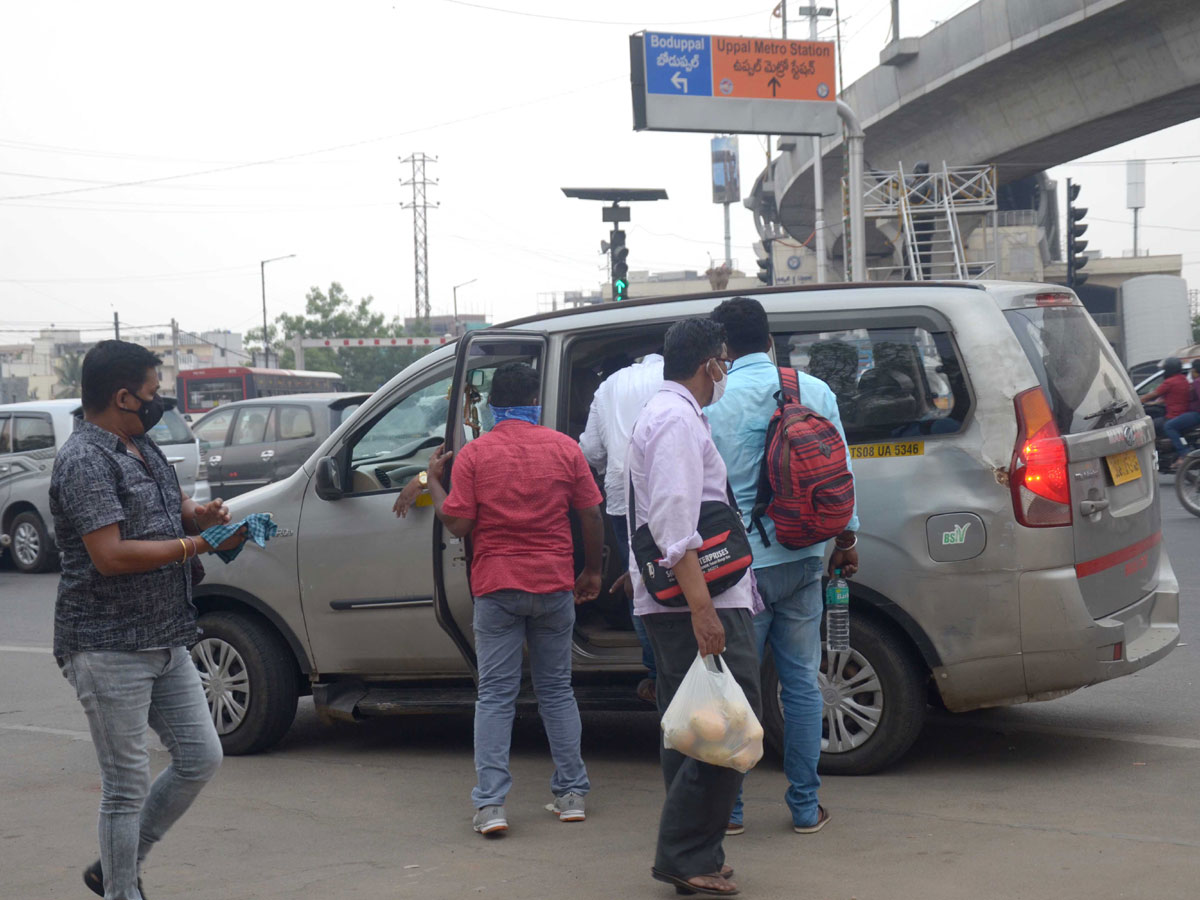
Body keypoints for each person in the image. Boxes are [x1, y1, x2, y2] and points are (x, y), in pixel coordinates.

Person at [51, 339, 247, 900]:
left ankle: (116, 864)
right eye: (152, 393)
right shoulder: (86, 459)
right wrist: (193, 544)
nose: (158, 403)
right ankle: (121, 890)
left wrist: (198, 513)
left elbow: (169, 504)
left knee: (200, 757)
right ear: (121, 396)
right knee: (125, 787)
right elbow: (109, 555)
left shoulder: (139, 445)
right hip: (107, 645)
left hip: (166, 636)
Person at [407, 361, 605, 836]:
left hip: (497, 586)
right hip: (554, 584)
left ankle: (491, 806)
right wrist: (592, 569)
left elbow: (459, 525)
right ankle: (572, 793)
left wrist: (433, 481)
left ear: (493, 405)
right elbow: (592, 514)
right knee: (557, 690)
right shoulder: (564, 449)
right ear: (535, 401)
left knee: (496, 695)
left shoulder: (476, 455)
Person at [706, 298, 860, 839]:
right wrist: (846, 537)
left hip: (740, 567)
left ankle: (732, 810)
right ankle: (803, 807)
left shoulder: (713, 401)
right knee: (799, 684)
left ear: (722, 348)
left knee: (738, 690)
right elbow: (841, 469)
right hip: (804, 555)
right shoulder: (812, 390)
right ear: (769, 338)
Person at [628, 318, 762, 897]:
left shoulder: (671, 415)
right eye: (724, 362)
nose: (725, 371)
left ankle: (697, 850)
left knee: (690, 726)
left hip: (686, 600)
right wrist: (703, 609)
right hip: (700, 601)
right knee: (727, 720)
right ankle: (683, 854)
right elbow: (675, 525)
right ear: (709, 363)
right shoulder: (676, 420)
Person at [578, 350, 663, 702]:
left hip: (622, 498)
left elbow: (591, 452)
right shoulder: (679, 376)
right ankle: (680, 666)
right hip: (674, 493)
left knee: (640, 583)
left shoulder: (609, 386)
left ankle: (656, 672)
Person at [1140, 356, 1191, 466]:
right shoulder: (1183, 379)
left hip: (1173, 416)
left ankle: (1152, 453)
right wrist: (1154, 403)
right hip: (1182, 414)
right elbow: (1173, 396)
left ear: (1169, 369)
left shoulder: (1170, 382)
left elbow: (1154, 394)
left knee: (1148, 426)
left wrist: (1138, 400)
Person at [1162, 359, 1200, 463]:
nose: (1191, 372)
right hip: (1193, 413)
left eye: (1192, 370)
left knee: (1169, 426)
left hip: (1196, 414)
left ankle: (1183, 453)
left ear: (1195, 371)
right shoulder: (1191, 382)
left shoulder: (1197, 382)